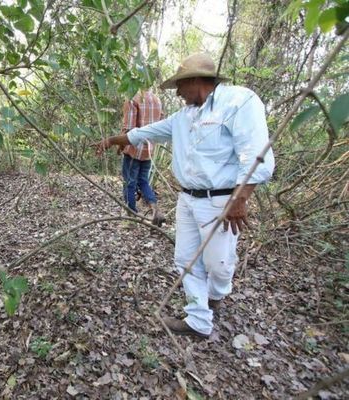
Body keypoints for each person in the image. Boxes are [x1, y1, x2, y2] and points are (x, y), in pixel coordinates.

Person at [94, 53, 275, 339]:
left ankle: (215, 296)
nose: (177, 93)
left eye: (180, 86)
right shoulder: (183, 117)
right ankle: (198, 319)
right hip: (187, 199)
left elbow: (257, 154)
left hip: (222, 200)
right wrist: (112, 141)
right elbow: (145, 133)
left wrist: (239, 200)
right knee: (185, 258)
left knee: (219, 263)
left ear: (195, 81)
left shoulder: (239, 101)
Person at [118, 90, 165, 225]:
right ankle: (155, 210)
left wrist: (120, 146)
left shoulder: (132, 99)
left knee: (129, 183)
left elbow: (128, 129)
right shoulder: (156, 99)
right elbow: (160, 123)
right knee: (143, 181)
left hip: (133, 148)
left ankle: (131, 216)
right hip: (149, 149)